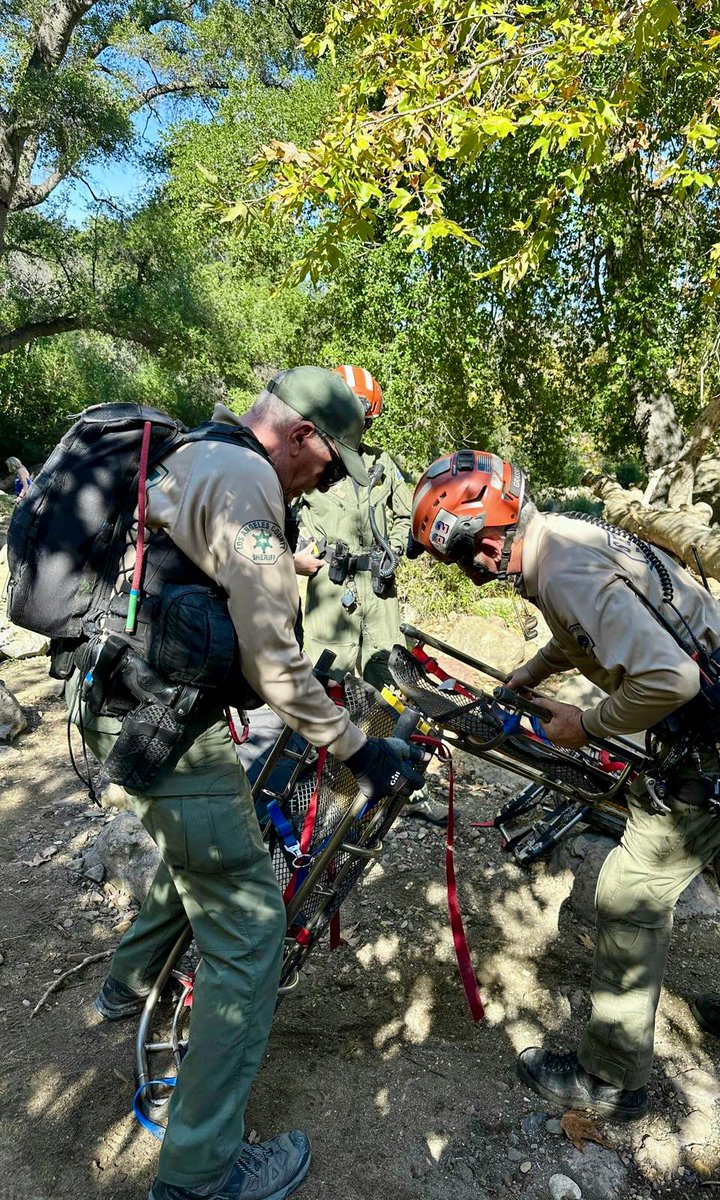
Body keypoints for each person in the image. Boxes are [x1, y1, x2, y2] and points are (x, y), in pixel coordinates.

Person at [71, 367, 419, 1200]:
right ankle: (201, 1174)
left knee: (201, 857)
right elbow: (272, 660)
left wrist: (289, 559)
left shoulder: (199, 453)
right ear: (300, 436)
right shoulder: (248, 477)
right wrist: (355, 749)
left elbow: (205, 558)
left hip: (123, 702)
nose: (325, 481)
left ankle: (122, 990)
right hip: (168, 727)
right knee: (250, 932)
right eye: (329, 466)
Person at [408, 450, 720, 1120]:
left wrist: (587, 725)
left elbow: (670, 681)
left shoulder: (564, 569)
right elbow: (582, 638)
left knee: (630, 891)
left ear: (485, 534)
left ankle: (610, 1078)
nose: (468, 574)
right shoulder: (562, 542)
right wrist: (526, 678)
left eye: (461, 557)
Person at [293, 364, 445, 824]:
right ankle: (309, 790)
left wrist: (396, 548)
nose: (358, 432)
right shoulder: (309, 466)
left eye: (364, 423)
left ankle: (393, 784)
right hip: (329, 592)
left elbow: (406, 515)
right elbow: (272, 518)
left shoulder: (381, 467)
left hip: (378, 593)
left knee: (391, 686)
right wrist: (292, 553)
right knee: (319, 686)